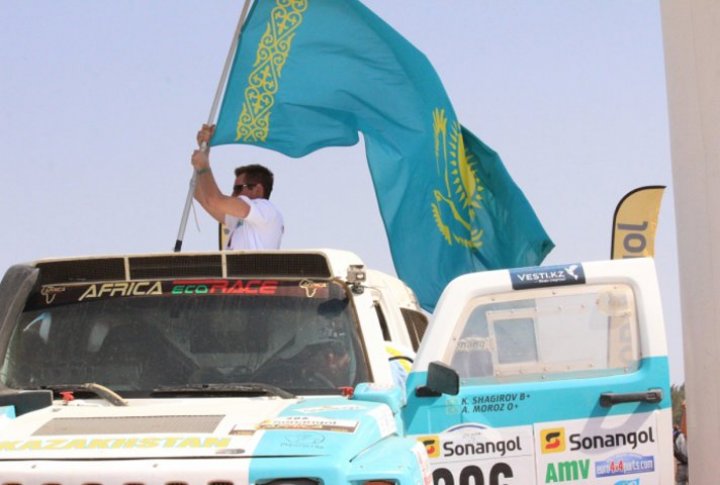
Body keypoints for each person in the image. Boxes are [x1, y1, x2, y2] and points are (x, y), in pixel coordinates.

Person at [191, 124, 284, 250]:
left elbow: (213, 200)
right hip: (237, 269)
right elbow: (199, 194)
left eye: (238, 189)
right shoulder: (240, 220)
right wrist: (204, 150)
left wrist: (204, 166)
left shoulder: (266, 210)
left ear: (257, 190)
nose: (234, 195)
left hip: (251, 270)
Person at [674, 400, 688, 485]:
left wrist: (685, 410)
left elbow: (684, 430)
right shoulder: (681, 436)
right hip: (684, 464)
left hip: (684, 465)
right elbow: (684, 430)